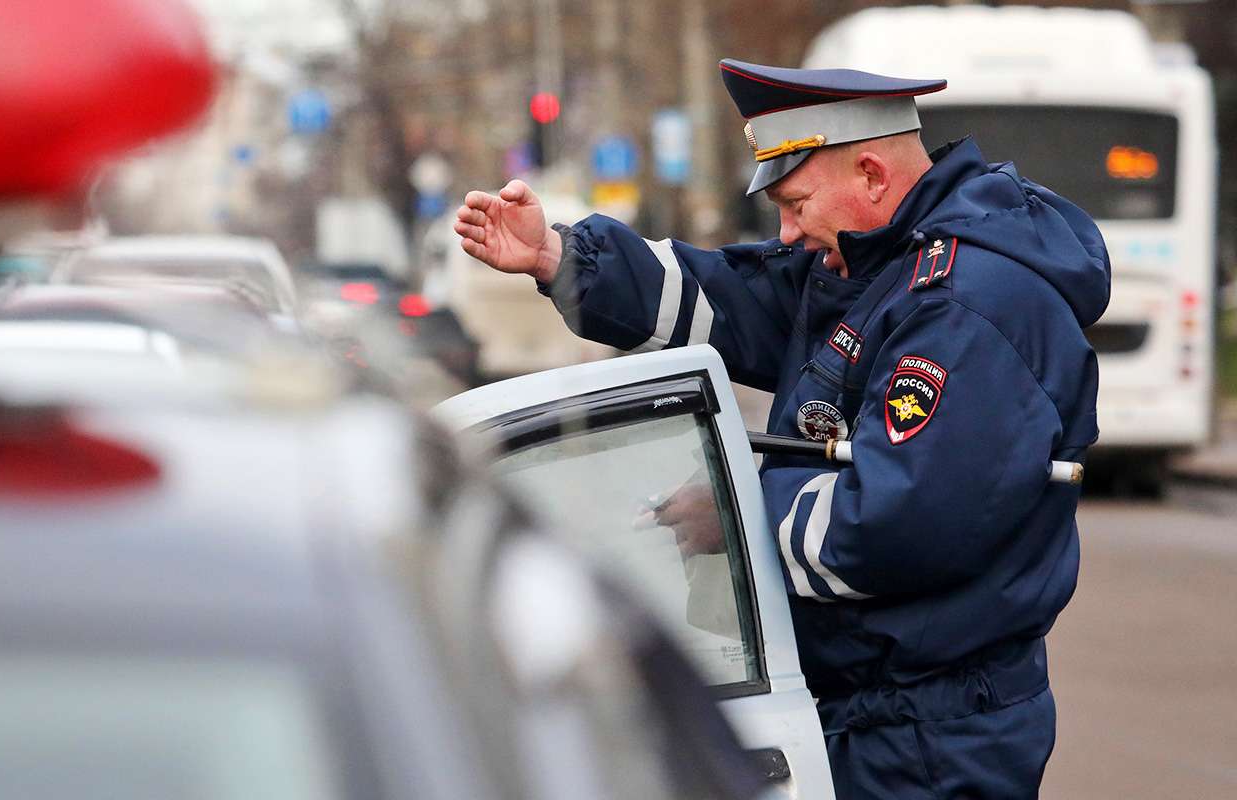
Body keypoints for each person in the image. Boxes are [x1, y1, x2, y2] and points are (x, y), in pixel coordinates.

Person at [455, 58, 1109, 798]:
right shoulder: (877, 263)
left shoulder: (963, 302)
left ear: (871, 175)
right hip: (881, 713)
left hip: (928, 735)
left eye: (795, 203)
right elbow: (726, 297)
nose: (787, 231)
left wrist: (734, 514)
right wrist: (557, 256)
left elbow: (896, 520)